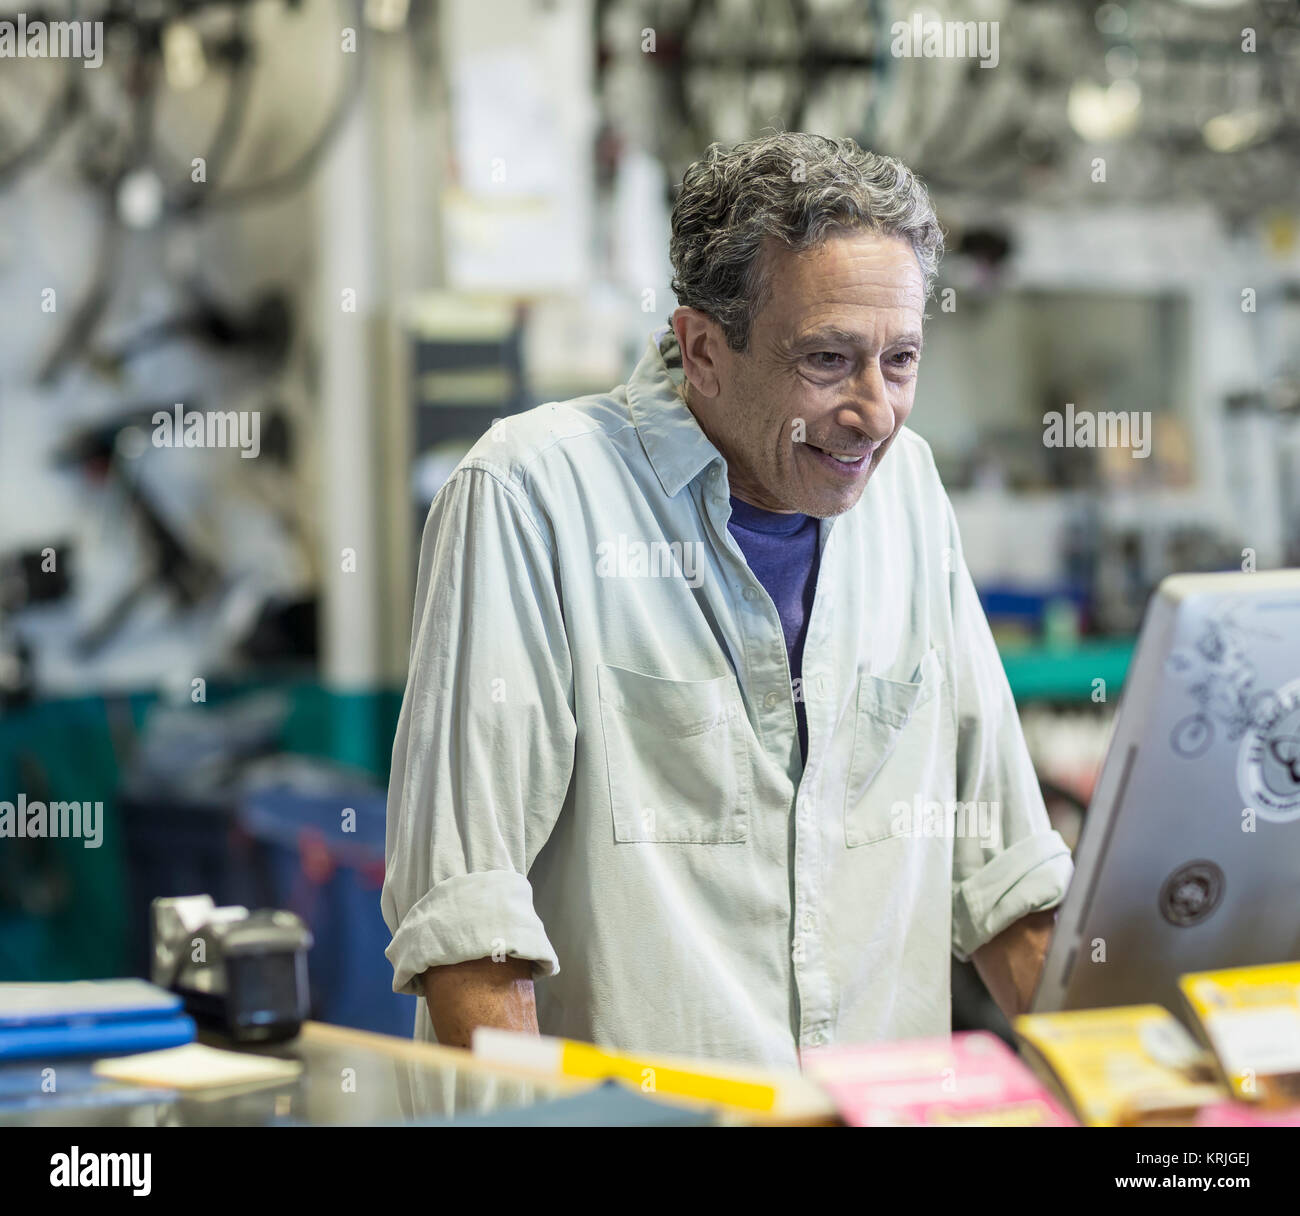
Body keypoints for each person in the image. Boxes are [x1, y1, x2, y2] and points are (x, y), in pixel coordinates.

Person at [382, 132, 1073, 1067]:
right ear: (702, 349)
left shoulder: (907, 492)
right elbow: (468, 916)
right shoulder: (534, 495)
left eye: (900, 360)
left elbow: (1006, 876)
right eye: (828, 360)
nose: (875, 411)